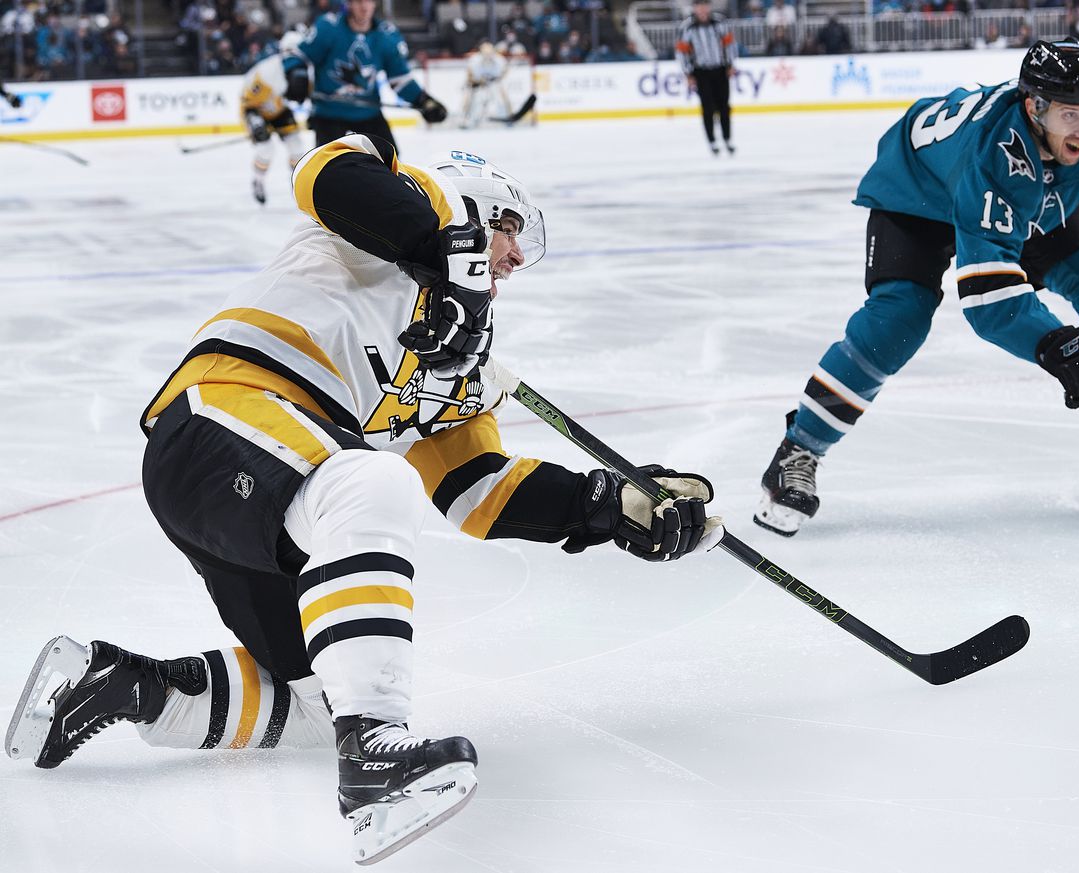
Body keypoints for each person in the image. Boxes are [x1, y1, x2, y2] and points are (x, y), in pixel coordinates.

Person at [6, 139, 723, 864]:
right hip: (223, 415)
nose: (512, 260)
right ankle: (376, 753)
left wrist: (603, 504)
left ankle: (130, 686)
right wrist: (455, 263)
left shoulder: (456, 345)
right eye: (510, 233)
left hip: (251, 494)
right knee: (374, 481)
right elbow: (324, 172)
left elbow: (477, 492)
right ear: (479, 207)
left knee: (317, 698)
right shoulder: (414, 206)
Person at [754, 40, 1079, 536]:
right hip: (919, 195)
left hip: (1023, 196)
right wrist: (1058, 347)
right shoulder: (992, 157)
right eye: (1071, 115)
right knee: (898, 319)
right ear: (1034, 107)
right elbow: (988, 301)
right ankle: (799, 449)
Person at [283, 0, 447, 151]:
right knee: (328, 170)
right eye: (359, 1)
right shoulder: (328, 27)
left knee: (390, 160)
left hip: (368, 114)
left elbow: (399, 78)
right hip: (329, 114)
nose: (364, 7)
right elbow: (298, 56)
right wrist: (297, 75)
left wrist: (422, 100)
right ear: (349, 4)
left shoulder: (386, 35)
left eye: (369, 1)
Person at [240, 30, 311, 204]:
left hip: (280, 110)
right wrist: (255, 122)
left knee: (296, 146)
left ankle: (297, 183)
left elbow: (306, 95)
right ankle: (258, 181)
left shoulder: (305, 68)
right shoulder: (266, 72)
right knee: (266, 148)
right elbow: (247, 101)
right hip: (256, 110)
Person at [675, 0, 738, 156]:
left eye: (705, 5)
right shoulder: (687, 27)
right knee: (708, 107)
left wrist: (730, 64)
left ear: (709, 7)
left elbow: (729, 44)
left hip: (720, 69)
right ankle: (712, 141)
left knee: (724, 106)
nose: (702, 9)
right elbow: (681, 52)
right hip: (701, 72)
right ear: (695, 8)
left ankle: (727, 139)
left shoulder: (720, 23)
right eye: (699, 6)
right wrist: (688, 73)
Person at [460, 40, 512, 128]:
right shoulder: (475, 60)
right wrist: (476, 83)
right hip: (480, 84)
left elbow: (505, 71)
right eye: (485, 52)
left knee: (501, 100)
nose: (488, 55)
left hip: (494, 83)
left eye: (489, 52)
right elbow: (470, 75)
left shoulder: (499, 59)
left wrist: (498, 79)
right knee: (476, 101)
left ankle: (506, 119)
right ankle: (469, 121)